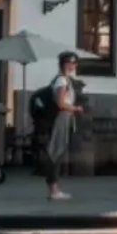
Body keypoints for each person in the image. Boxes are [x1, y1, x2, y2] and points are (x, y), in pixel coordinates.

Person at [41, 51, 82, 201]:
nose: (74, 66)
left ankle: (55, 188)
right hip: (61, 118)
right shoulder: (62, 81)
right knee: (55, 152)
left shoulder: (64, 80)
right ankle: (53, 190)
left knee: (57, 151)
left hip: (63, 117)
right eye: (71, 63)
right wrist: (75, 108)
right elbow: (61, 103)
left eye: (75, 63)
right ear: (64, 64)